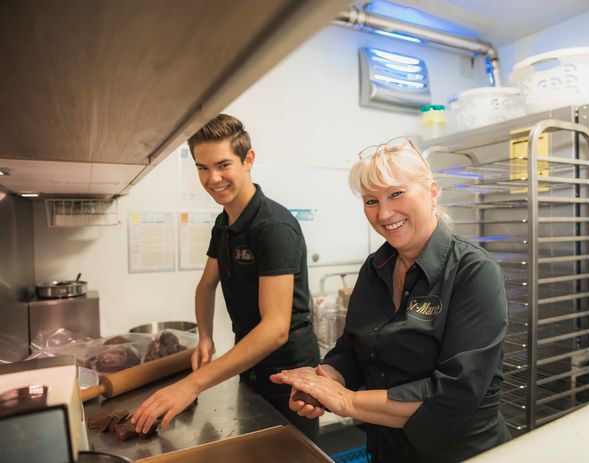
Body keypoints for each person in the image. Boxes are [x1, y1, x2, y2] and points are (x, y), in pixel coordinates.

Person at [271, 136, 511, 462]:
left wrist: (347, 402)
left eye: (396, 194)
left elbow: (455, 392)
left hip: (460, 453)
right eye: (370, 201)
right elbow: (353, 350)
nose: (384, 214)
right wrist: (322, 381)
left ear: (432, 191)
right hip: (388, 450)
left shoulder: (473, 272)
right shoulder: (376, 267)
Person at [131, 114, 320, 441]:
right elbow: (206, 285)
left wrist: (191, 385)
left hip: (289, 375)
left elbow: (275, 330)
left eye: (223, 165)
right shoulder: (225, 222)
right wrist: (205, 337)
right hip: (249, 363)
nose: (212, 178)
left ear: (248, 160)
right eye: (202, 168)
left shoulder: (273, 227)